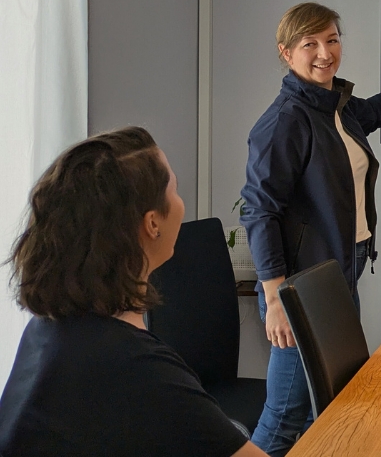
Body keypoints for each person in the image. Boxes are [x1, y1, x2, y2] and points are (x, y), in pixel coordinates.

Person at [240, 1, 381, 457]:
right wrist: (276, 296)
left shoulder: (333, 105)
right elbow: (260, 212)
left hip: (337, 275)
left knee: (335, 407)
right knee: (283, 419)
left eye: (332, 40)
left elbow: (375, 111)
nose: (324, 52)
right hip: (299, 288)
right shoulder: (284, 122)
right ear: (286, 53)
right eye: (310, 44)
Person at [0, 127, 268, 457]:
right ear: (152, 223)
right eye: (175, 189)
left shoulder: (48, 328)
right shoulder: (135, 367)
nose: (181, 203)